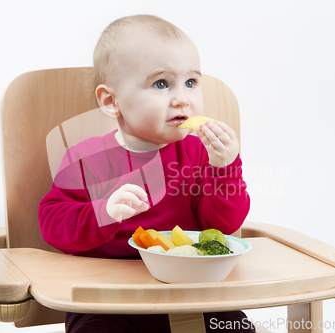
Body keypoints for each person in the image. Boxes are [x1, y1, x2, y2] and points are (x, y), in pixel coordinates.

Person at [38, 14, 254, 332]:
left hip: (191, 293)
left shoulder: (197, 154)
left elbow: (220, 226)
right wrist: (103, 212)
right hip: (108, 301)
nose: (182, 98)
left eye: (191, 82)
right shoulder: (86, 158)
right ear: (111, 101)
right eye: (161, 84)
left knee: (236, 328)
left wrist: (225, 169)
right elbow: (52, 223)